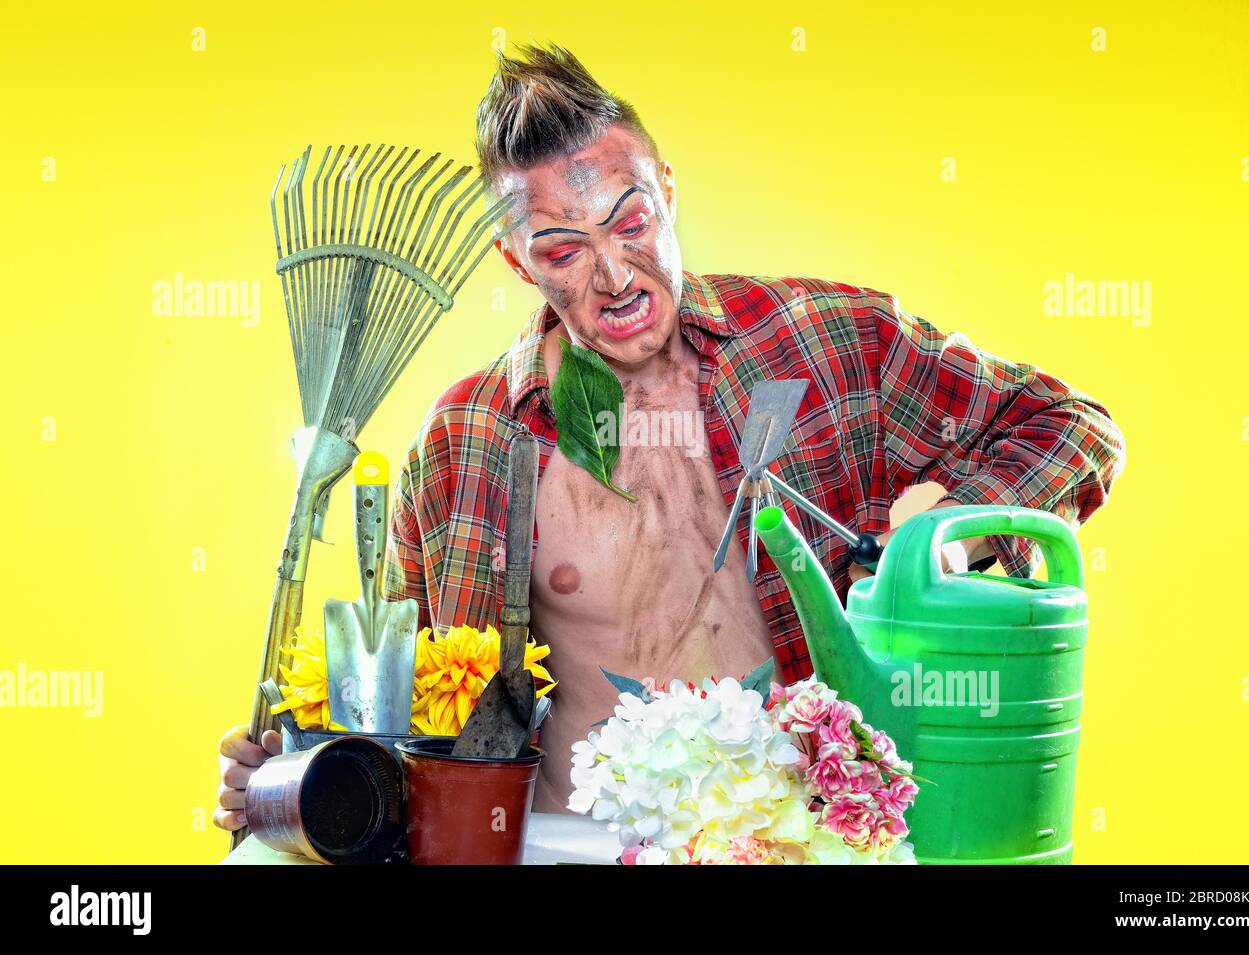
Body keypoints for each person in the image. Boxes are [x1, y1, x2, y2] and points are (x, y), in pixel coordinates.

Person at [216, 42, 1124, 828]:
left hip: (804, 840)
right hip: (568, 846)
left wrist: (945, 540)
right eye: (563, 250)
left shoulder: (832, 340)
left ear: (669, 192)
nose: (614, 275)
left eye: (632, 220)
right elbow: (407, 719)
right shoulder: (466, 441)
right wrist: (293, 775)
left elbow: (1072, 426)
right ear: (515, 260)